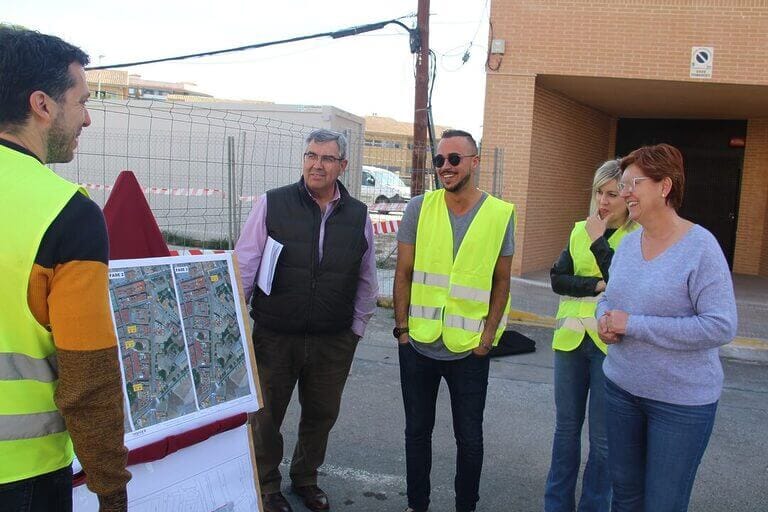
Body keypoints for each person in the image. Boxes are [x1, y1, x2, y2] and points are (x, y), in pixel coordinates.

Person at [0, 27, 130, 511]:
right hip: (23, 476)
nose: (88, 119)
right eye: (82, 101)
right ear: (43, 105)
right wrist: (111, 492)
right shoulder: (66, 214)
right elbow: (88, 379)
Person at [235, 129, 378, 512]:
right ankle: (267, 485)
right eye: (311, 155)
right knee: (266, 417)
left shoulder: (359, 216)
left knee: (321, 415)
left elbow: (367, 278)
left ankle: (306, 478)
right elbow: (245, 265)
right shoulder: (273, 203)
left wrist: (355, 331)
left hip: (333, 339)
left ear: (342, 166)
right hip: (276, 335)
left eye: (327, 158)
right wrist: (236, 325)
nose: (316, 164)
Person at [597, 143, 737, 511]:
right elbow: (608, 299)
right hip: (621, 390)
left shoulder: (701, 247)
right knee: (625, 497)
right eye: (621, 184)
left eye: (633, 183)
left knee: (663, 503)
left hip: (680, 405)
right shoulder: (627, 245)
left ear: (665, 186)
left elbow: (720, 326)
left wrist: (634, 325)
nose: (624, 193)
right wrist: (604, 319)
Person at [393, 129, 516, 512]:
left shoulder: (499, 214)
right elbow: (404, 272)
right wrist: (401, 332)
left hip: (469, 351)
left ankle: (467, 506)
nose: (445, 167)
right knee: (417, 433)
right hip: (418, 344)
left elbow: (502, 281)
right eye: (439, 160)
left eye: (454, 159)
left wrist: (487, 340)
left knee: (470, 439)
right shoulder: (419, 207)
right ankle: (418, 504)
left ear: (474, 162)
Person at [545, 160, 637, 512]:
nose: (603, 201)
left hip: (608, 348)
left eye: (612, 193)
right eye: (599, 192)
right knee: (565, 432)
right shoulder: (578, 230)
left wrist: (599, 243)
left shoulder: (635, 238)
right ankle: (555, 506)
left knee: (602, 441)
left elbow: (625, 285)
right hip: (569, 343)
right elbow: (557, 279)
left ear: (627, 197)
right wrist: (596, 285)